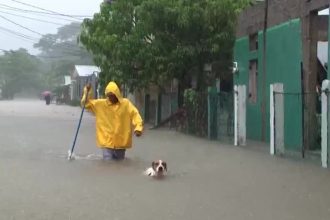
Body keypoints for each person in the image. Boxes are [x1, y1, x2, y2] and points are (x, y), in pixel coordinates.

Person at [81, 81, 143, 160]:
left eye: (112, 96)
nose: (111, 98)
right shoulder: (101, 104)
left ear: (117, 94)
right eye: (109, 96)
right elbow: (85, 104)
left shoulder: (126, 104)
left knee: (120, 164)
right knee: (108, 163)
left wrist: (138, 128)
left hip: (121, 142)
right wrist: (87, 91)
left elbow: (135, 115)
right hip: (107, 142)